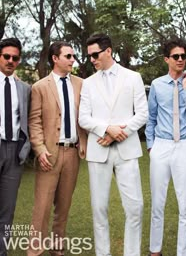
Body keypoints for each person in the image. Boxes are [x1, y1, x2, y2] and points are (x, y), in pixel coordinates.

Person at [79, 33, 148, 256]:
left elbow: (143, 114)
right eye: (89, 56)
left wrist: (120, 132)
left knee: (135, 208)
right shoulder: (88, 84)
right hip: (98, 150)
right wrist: (106, 129)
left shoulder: (133, 77)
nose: (91, 59)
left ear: (108, 51)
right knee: (99, 209)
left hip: (127, 150)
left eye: (95, 54)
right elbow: (84, 118)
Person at [27, 41, 87, 256]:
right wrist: (40, 149)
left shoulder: (82, 84)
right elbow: (34, 121)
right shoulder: (40, 86)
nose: (73, 60)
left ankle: (57, 249)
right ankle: (35, 251)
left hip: (73, 153)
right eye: (68, 56)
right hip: (49, 154)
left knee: (63, 207)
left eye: (73, 56)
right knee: (42, 207)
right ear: (55, 58)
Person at [145, 37, 186, 256]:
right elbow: (151, 118)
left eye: (183, 56)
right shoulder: (158, 85)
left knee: (185, 207)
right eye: (176, 56)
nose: (180, 60)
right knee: (158, 203)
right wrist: (151, 146)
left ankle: (182, 253)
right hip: (161, 146)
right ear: (166, 59)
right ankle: (155, 250)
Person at [0, 38, 31, 256]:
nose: (11, 61)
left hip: (15, 153)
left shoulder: (25, 88)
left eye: (15, 58)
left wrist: (26, 147)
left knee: (7, 209)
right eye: (6, 56)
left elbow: (29, 120)